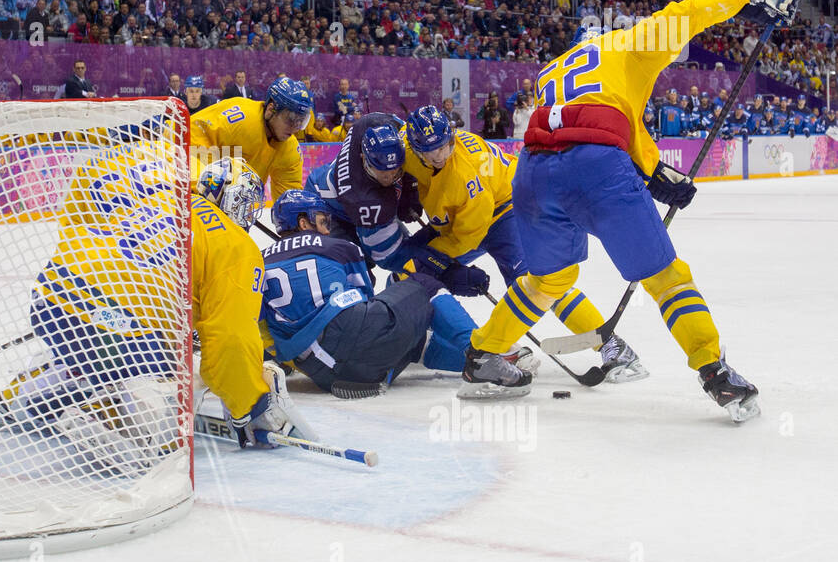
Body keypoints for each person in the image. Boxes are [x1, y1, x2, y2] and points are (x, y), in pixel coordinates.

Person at [464, 0, 798, 420]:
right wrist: (747, 1)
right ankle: (715, 373)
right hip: (595, 169)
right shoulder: (623, 44)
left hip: (531, 170)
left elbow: (606, 115)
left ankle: (481, 356)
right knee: (666, 277)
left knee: (548, 281)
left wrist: (655, 172)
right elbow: (685, 12)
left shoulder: (553, 70)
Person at [0, 154, 310, 452]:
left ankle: (19, 400)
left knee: (101, 346)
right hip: (114, 322)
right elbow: (232, 339)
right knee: (164, 393)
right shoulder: (236, 243)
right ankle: (106, 417)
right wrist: (248, 405)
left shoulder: (162, 200)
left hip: (54, 294)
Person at [400, 105, 645, 381]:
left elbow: (466, 237)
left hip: (511, 208)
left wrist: (437, 259)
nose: (439, 156)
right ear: (414, 146)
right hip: (472, 215)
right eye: (430, 151)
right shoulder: (407, 145)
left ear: (452, 136)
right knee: (408, 268)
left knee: (539, 283)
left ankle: (612, 345)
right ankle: (430, 341)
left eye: (444, 147)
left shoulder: (464, 178)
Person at [260, 190, 534, 399]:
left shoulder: (259, 262)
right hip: (354, 341)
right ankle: (484, 355)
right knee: (421, 285)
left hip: (325, 374)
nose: (325, 228)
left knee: (411, 335)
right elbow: (364, 299)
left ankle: (484, 357)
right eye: (321, 221)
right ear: (303, 221)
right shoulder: (338, 247)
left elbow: (260, 328)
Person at [304, 113, 420, 274]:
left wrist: (411, 188)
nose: (389, 178)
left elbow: (403, 129)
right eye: (382, 172)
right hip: (327, 207)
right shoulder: (363, 199)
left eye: (396, 172)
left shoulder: (369, 125)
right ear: (363, 159)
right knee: (358, 275)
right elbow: (387, 256)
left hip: (347, 200)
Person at [189, 77, 312, 198]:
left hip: (231, 204)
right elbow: (191, 137)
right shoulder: (239, 118)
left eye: (301, 121)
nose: (295, 128)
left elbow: (288, 200)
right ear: (270, 109)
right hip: (187, 190)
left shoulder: (290, 150)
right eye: (290, 118)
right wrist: (208, 187)